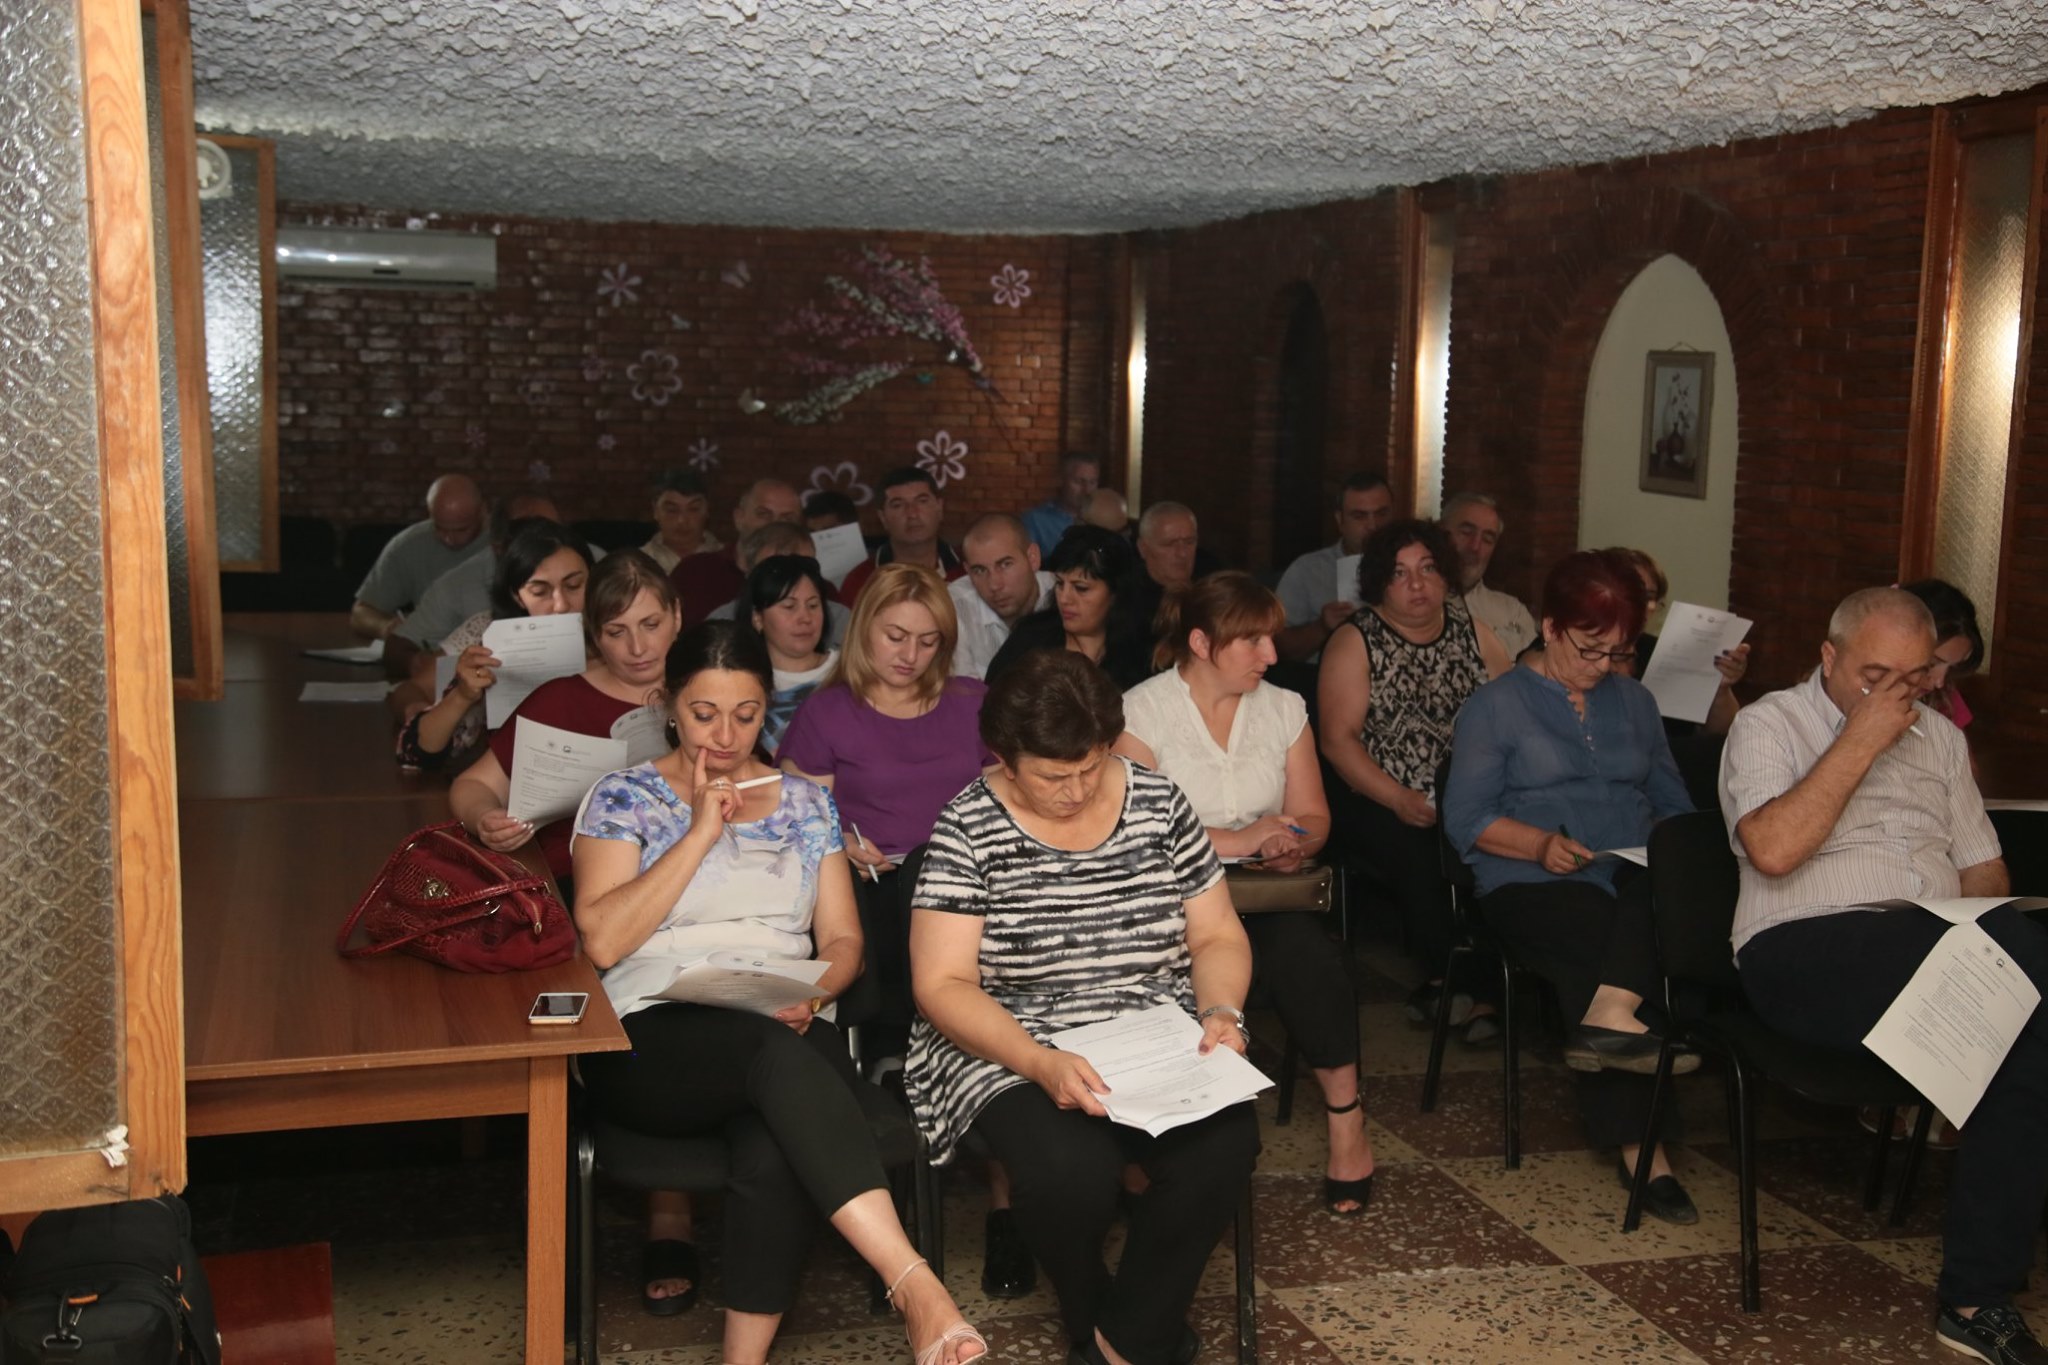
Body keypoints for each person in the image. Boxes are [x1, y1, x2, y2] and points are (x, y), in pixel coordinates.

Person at [572, 621, 984, 1365]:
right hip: (652, 1036)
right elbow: (602, 941)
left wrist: (814, 993)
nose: (726, 735)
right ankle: (915, 1284)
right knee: (776, 1061)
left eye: (747, 714)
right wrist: (700, 832)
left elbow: (844, 942)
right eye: (704, 714)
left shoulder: (803, 802)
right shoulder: (624, 796)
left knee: (773, 1141)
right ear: (670, 705)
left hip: (782, 1017)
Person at [908, 649, 1260, 1365]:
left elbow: (1217, 934)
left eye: (1091, 767)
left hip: (1150, 1025)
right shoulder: (967, 825)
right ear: (1004, 759)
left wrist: (1222, 1010)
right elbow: (943, 983)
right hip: (1009, 1038)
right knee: (1068, 1173)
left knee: (1224, 1144)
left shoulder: (1159, 803)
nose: (1075, 791)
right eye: (1051, 776)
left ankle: (1114, 1344)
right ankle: (1116, 1321)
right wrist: (1039, 1061)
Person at [1722, 586, 2046, 1365]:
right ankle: (1978, 1291)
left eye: (1916, 676)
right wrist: (1858, 739)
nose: (1899, 695)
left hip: (1936, 943)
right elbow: (1772, 848)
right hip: (1805, 949)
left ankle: (1975, 1300)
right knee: (2028, 978)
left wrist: (1985, 944)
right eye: (1875, 676)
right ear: (1828, 657)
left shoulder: (1940, 739)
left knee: (2028, 1029)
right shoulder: (1770, 723)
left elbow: (1984, 868)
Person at [1443, 549, 1700, 1224]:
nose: (1603, 666)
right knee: (1602, 936)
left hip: (1629, 870)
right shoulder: (1496, 706)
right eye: (1590, 649)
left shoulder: (1636, 702)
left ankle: (1611, 1020)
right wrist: (1539, 844)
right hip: (1529, 876)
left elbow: (1674, 805)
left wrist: (1668, 847)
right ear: (1551, 626)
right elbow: (1465, 818)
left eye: (1619, 652)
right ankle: (1645, 1147)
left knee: (1652, 904)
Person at [1115, 572, 1373, 1216]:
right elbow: (1136, 830)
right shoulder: (1142, 711)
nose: (1271, 654)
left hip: (1261, 894)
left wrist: (1290, 843)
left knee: (1310, 960)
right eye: (1252, 641)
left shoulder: (1284, 709)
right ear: (1201, 643)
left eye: (1271, 638)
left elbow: (1314, 817)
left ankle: (1347, 1120)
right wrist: (1239, 838)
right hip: (1169, 902)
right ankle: (1152, 1139)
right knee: (1154, 973)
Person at [779, 563, 991, 1067]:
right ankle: (903, 1050)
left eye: (927, 641)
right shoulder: (827, 713)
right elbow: (801, 824)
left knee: (929, 872)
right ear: (863, 629)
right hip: (872, 886)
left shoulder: (973, 703)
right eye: (895, 637)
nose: (910, 656)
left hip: (969, 885)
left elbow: (1005, 804)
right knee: (894, 886)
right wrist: (842, 848)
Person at [1318, 520, 1511, 1037]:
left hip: (1466, 792)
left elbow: (1516, 713)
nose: (1417, 584)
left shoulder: (1476, 634)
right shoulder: (1355, 640)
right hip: (1378, 794)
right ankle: (1475, 986)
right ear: (1380, 582)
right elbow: (1338, 742)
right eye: (1400, 573)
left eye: (1427, 569)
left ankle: (1464, 984)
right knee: (1423, 852)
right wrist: (1399, 797)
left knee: (1503, 841)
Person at [450, 550, 681, 882]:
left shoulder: (708, 693)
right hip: (573, 880)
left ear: (677, 615)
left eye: (651, 625)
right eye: (616, 632)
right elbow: (474, 784)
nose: (638, 647)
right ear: (594, 635)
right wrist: (485, 817)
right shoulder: (560, 700)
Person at [395, 519, 593, 770]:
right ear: (517, 596)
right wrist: (463, 695)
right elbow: (414, 752)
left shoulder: (618, 638)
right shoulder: (493, 644)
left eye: (574, 586)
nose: (561, 605)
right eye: (539, 592)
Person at [985, 525, 1152, 691]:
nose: (1064, 598)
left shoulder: (1139, 658)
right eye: (1059, 584)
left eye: (1081, 588)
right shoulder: (1030, 640)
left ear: (1115, 594)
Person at [1605, 547, 1748, 738]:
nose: (1650, 606)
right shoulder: (1586, 654)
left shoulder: (1662, 653)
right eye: (1637, 594)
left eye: (1651, 597)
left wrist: (1721, 688)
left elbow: (1720, 733)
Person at [1274, 471, 1398, 663]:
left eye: (1381, 514)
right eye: (1360, 516)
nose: (1373, 525)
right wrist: (1322, 627)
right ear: (1340, 521)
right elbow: (1278, 646)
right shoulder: (1308, 570)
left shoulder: (1415, 567)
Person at [350, 473, 490, 639]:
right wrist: (386, 627)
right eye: (440, 528)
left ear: (482, 512)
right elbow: (361, 613)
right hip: (430, 648)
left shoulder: (506, 543)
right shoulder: (408, 545)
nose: (449, 539)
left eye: (461, 530)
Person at [734, 554, 836, 756]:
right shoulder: (741, 683)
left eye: (813, 605)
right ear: (758, 618)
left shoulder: (850, 669)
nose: (805, 618)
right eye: (789, 607)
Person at [669, 478, 804, 625]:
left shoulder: (811, 584)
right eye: (764, 514)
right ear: (739, 518)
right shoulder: (693, 573)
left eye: (787, 518)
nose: (774, 524)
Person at [705, 521, 852, 650]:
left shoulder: (839, 618)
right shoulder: (722, 623)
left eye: (803, 568)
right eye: (775, 571)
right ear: (749, 572)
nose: (791, 580)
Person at [951, 513, 1055, 680]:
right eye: (980, 570)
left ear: (1033, 558)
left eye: (1005, 565)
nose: (994, 585)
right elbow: (963, 692)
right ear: (967, 571)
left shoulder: (1064, 595)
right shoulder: (954, 605)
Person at [839, 468, 967, 605]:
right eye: (898, 505)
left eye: (922, 501)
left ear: (939, 508)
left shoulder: (968, 570)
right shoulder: (861, 582)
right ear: (883, 517)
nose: (912, 514)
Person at [1441, 492, 1537, 658]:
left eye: (1487, 539)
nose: (1475, 546)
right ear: (1440, 531)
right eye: (1466, 532)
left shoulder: (1512, 611)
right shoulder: (1416, 604)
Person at [1900, 578, 1983, 728]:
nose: (1939, 682)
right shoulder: (1857, 697)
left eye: (1951, 667)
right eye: (1931, 664)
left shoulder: (1943, 701)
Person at [639, 468, 722, 574]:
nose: (682, 520)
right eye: (672, 510)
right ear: (655, 510)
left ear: (707, 510)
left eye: (693, 509)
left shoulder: (729, 561)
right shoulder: (638, 563)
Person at [1019, 452, 1102, 556]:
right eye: (1078, 481)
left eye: (1092, 482)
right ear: (1061, 480)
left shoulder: (1104, 521)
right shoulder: (1035, 521)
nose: (1087, 490)